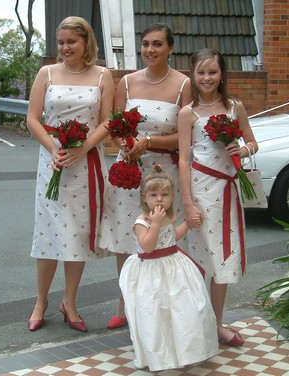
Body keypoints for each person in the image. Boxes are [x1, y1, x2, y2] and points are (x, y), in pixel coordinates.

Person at [98, 23, 192, 329]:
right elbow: (117, 123)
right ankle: (124, 304)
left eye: (157, 44)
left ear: (170, 48)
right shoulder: (127, 81)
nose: (149, 50)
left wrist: (149, 142)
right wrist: (128, 145)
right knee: (129, 238)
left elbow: (185, 133)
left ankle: (163, 305)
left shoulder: (183, 84)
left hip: (163, 173)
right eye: (145, 44)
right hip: (130, 171)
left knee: (162, 238)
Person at [26, 16, 115, 332]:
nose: (65, 48)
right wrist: (54, 149)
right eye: (61, 42)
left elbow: (107, 121)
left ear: (86, 42)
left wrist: (83, 148)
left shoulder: (103, 76)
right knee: (49, 231)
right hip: (52, 160)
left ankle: (70, 301)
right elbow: (33, 119)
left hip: (86, 163)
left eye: (71, 42)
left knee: (77, 232)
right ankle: (41, 300)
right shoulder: (46, 74)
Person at [178, 48, 258, 346]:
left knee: (223, 258)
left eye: (212, 72)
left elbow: (252, 141)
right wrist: (187, 202)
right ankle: (197, 324)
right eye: (201, 72)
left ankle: (216, 322)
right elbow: (184, 159)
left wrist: (244, 149)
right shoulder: (188, 113)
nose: (207, 78)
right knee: (202, 258)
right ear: (193, 75)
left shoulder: (234, 107)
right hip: (200, 192)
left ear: (222, 74)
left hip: (228, 191)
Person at [119, 166, 219, 371]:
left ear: (172, 197)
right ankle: (159, 354)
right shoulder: (142, 221)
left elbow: (172, 236)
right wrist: (155, 224)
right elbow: (147, 245)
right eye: (153, 194)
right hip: (152, 272)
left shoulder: (166, 216)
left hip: (174, 267)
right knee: (157, 311)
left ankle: (185, 349)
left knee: (181, 309)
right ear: (144, 197)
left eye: (165, 195)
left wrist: (188, 225)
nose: (159, 199)